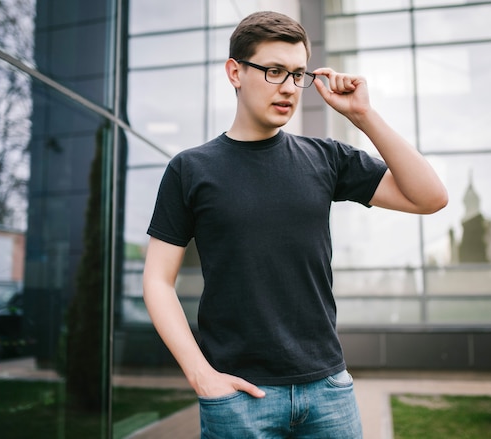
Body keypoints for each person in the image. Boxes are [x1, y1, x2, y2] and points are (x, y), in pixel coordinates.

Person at [143, 10, 447, 439]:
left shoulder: (326, 158)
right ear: (235, 72)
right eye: (273, 71)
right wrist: (202, 376)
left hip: (329, 391)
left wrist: (363, 116)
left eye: (298, 74)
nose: (289, 87)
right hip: (239, 397)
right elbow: (157, 281)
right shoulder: (191, 170)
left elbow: (430, 197)